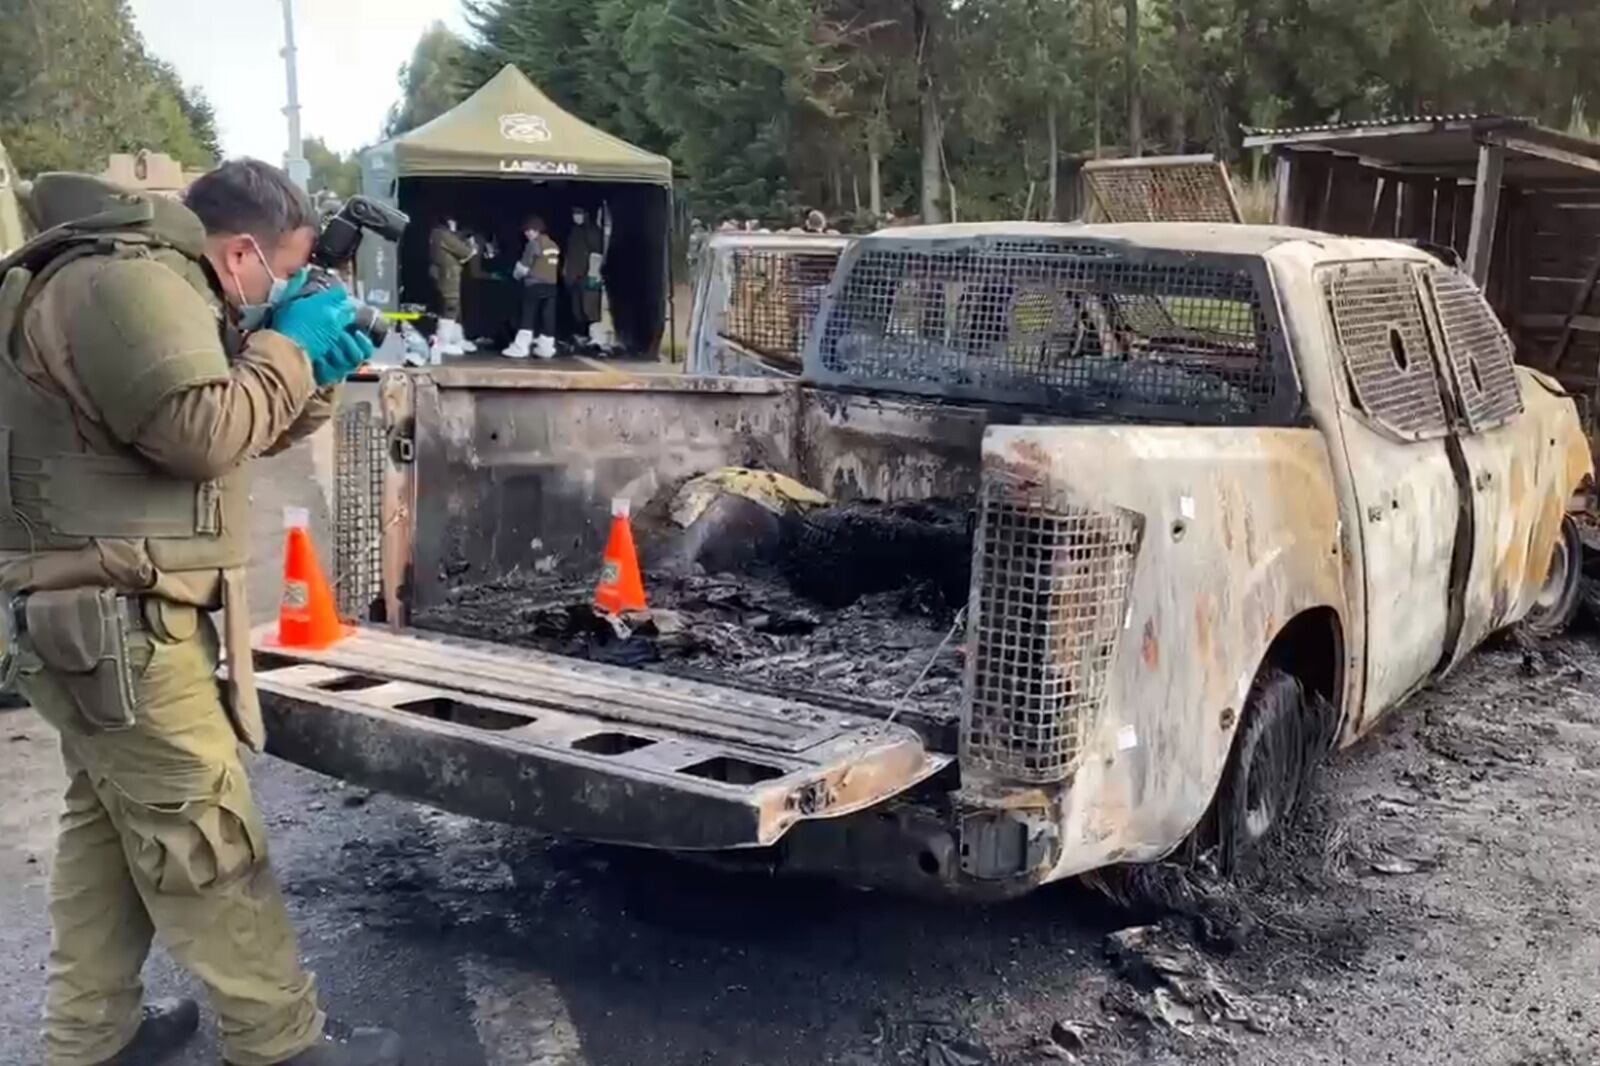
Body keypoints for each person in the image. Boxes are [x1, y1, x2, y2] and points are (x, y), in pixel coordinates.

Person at [0, 160, 400, 1066]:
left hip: (101, 622)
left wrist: (314, 369)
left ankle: (90, 1041)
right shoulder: (125, 281)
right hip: (116, 624)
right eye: (284, 273)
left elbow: (242, 422)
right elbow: (199, 433)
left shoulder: (150, 279)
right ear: (245, 250)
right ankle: (280, 1047)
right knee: (211, 839)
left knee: (108, 838)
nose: (283, 292)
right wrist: (288, 346)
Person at [504, 213, 560, 359]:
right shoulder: (553, 245)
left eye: (530, 230)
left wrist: (516, 275)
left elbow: (524, 266)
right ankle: (546, 348)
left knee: (527, 316)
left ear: (538, 230)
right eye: (526, 231)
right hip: (551, 286)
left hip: (534, 285)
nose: (527, 233)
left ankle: (520, 347)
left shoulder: (533, 244)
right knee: (547, 318)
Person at [428, 216, 476, 356]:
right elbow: (465, 252)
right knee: (450, 306)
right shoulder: (443, 235)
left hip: (445, 275)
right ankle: (443, 342)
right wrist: (471, 245)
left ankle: (456, 339)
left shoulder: (437, 234)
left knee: (454, 308)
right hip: (447, 276)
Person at [561, 205, 604, 345]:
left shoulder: (592, 231)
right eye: (574, 213)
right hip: (574, 276)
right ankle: (580, 336)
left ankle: (593, 337)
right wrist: (566, 270)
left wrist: (593, 273)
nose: (576, 216)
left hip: (587, 275)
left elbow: (596, 253)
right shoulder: (574, 231)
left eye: (579, 213)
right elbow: (570, 253)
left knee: (589, 307)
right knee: (577, 307)